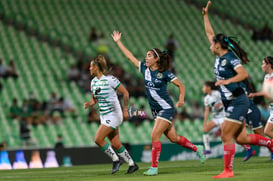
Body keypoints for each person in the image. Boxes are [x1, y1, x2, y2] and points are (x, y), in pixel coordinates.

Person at [112, 30, 205, 176]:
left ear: (156, 59)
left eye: (149, 55)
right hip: (156, 111)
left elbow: (181, 85)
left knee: (154, 135)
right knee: (174, 138)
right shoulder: (144, 69)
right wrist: (118, 42)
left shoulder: (165, 73)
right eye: (146, 55)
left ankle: (154, 168)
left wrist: (180, 100)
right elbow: (130, 57)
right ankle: (197, 148)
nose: (146, 58)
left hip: (166, 108)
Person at [202, 1, 273, 178]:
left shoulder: (229, 58)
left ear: (218, 46)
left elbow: (243, 74)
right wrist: (205, 17)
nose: (210, 46)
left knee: (226, 134)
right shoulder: (219, 55)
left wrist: (226, 81)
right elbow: (210, 34)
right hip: (229, 101)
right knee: (241, 138)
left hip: (238, 100)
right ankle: (270, 144)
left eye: (212, 44)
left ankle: (228, 171)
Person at [83, 55, 138, 174]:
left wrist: (125, 110)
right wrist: (89, 103)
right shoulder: (93, 82)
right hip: (104, 116)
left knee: (98, 139)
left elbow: (126, 93)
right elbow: (95, 100)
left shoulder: (110, 79)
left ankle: (116, 159)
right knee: (115, 143)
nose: (89, 68)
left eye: (91, 66)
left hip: (114, 115)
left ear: (97, 67)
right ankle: (132, 164)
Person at [249, 56, 273, 151]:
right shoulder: (267, 77)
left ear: (269, 65)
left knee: (267, 131)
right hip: (271, 107)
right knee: (267, 131)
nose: (262, 66)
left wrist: (254, 94)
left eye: (263, 63)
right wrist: (254, 95)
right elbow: (265, 92)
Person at [202, 81, 225, 155]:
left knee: (224, 134)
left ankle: (226, 152)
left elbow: (225, 100)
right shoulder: (206, 98)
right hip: (215, 117)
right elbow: (207, 110)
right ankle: (207, 149)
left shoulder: (217, 93)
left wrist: (221, 104)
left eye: (204, 87)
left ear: (208, 88)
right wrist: (205, 122)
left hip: (223, 116)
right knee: (205, 129)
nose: (203, 89)